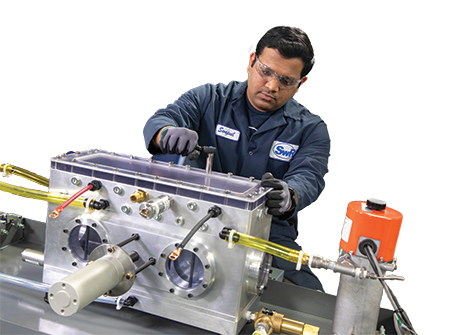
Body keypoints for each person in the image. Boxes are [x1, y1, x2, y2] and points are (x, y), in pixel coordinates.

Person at [143, 26, 330, 291]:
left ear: (301, 83)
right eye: (265, 71)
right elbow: (164, 119)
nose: (272, 86)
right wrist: (166, 133)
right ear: (252, 61)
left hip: (267, 233)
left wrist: (290, 194)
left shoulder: (310, 129)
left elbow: (309, 175)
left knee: (307, 297)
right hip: (192, 216)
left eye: (286, 81)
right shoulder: (209, 99)